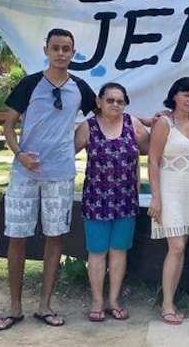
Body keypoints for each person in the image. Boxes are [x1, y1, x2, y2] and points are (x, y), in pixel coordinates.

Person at [0, 28, 96, 332]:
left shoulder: (80, 88)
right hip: (25, 173)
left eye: (67, 49)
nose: (61, 53)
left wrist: (73, 147)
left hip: (60, 174)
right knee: (17, 237)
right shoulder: (29, 84)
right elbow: (8, 125)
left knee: (55, 238)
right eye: (56, 48)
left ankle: (45, 306)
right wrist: (19, 153)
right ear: (46, 50)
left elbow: (103, 116)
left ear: (73, 53)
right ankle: (14, 307)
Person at [74, 82, 150, 322]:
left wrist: (154, 122)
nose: (115, 104)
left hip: (126, 200)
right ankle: (97, 302)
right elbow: (66, 153)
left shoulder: (132, 124)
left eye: (120, 101)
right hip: (96, 200)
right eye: (110, 100)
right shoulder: (88, 127)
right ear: (99, 102)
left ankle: (114, 300)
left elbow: (150, 148)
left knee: (119, 252)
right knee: (96, 252)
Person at [147, 77, 189, 326]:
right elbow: (152, 160)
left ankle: (171, 299)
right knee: (177, 247)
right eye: (187, 94)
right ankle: (167, 304)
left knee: (182, 248)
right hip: (169, 189)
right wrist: (156, 197)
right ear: (175, 95)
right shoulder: (163, 123)